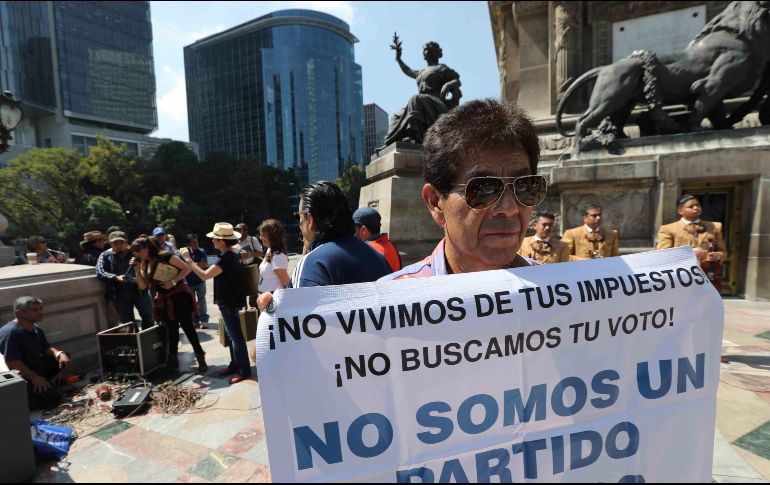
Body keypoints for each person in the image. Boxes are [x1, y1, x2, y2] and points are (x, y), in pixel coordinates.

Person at [381, 98, 546, 281]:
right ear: (436, 203)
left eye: (524, 186)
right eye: (484, 189)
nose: (509, 208)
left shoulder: (560, 292)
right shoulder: (394, 301)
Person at [256, 182, 391, 311]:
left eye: (298, 217)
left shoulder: (312, 264)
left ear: (310, 219)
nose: (299, 224)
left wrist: (270, 314)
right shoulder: (379, 257)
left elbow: (298, 323)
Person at [183, 223, 250, 384]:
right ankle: (235, 364)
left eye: (214, 239)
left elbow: (205, 275)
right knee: (232, 336)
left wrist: (189, 261)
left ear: (221, 241)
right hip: (229, 300)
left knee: (236, 337)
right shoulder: (231, 254)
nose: (212, 241)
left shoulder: (226, 258)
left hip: (228, 301)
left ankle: (243, 370)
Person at [132, 236, 207, 373]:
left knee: (188, 328)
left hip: (179, 297)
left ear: (147, 247)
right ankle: (173, 361)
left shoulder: (165, 256)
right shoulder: (145, 264)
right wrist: (137, 271)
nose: (137, 253)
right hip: (164, 300)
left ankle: (200, 358)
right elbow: (143, 286)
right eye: (135, 251)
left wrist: (172, 282)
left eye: (139, 250)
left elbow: (186, 269)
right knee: (171, 331)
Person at [384, 35, 462, 146]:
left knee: (415, 98)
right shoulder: (421, 72)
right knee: (396, 116)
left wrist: (447, 85)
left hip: (436, 102)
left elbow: (457, 80)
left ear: (434, 52)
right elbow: (408, 71)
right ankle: (393, 142)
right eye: (424, 50)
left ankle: (415, 137)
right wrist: (399, 58)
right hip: (421, 102)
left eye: (427, 49)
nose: (424, 52)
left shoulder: (441, 68)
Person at [0, 297, 72, 409]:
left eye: (41, 308)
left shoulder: (35, 328)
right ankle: (32, 393)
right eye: (35, 310)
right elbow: (12, 363)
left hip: (34, 368)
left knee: (63, 356)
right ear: (19, 313)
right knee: (54, 398)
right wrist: (35, 378)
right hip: (21, 378)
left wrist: (59, 354)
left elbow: (46, 348)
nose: (40, 313)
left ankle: (44, 384)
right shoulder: (11, 333)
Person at [657, 194, 727, 290]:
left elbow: (723, 252)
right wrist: (691, 253)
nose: (696, 208)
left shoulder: (715, 226)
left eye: (698, 205)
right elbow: (663, 253)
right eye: (691, 206)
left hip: (707, 276)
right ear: (680, 211)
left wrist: (717, 256)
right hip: (681, 277)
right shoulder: (668, 229)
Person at [96, 231, 152, 329]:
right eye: (115, 243)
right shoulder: (105, 255)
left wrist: (135, 278)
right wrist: (115, 277)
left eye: (121, 242)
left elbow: (148, 267)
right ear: (110, 244)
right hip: (119, 294)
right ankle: (135, 342)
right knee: (128, 322)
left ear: (126, 242)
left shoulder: (136, 252)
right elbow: (100, 271)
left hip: (139, 291)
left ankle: (148, 340)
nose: (118, 245)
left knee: (148, 316)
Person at [352, 207, 402, 272]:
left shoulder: (366, 251)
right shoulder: (391, 245)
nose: (353, 234)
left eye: (354, 230)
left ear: (363, 230)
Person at [184, 234, 210, 329]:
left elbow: (204, 265)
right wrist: (196, 265)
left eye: (197, 242)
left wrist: (191, 264)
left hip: (200, 281)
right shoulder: (184, 253)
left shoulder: (202, 251)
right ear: (188, 244)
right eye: (193, 242)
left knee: (202, 301)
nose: (196, 244)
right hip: (188, 282)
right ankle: (194, 321)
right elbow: (184, 267)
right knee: (191, 302)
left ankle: (204, 320)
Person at [234, 223, 264, 307]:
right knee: (244, 292)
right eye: (236, 230)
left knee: (254, 294)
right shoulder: (235, 242)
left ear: (245, 231)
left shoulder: (252, 239)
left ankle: (257, 313)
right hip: (242, 268)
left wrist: (249, 254)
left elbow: (261, 253)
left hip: (253, 268)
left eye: (239, 230)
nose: (237, 231)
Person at [257, 219, 291, 293]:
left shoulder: (278, 256)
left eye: (263, 235)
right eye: (260, 234)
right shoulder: (270, 250)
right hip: (268, 298)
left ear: (273, 237)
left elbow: (286, 283)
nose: (260, 238)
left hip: (274, 299)